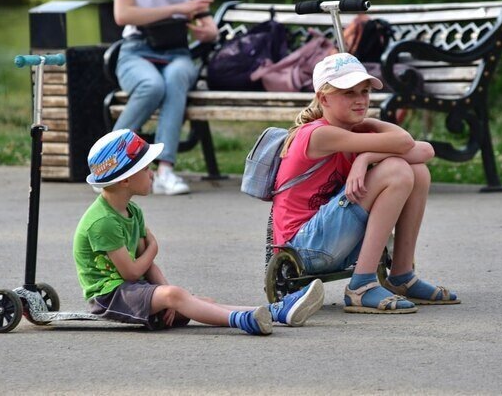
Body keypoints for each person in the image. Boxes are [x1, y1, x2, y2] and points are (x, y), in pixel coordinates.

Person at [74, 128, 324, 335]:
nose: (151, 174)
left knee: (200, 302)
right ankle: (242, 321)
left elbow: (146, 267)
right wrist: (154, 250)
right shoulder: (103, 222)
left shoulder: (132, 211)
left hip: (132, 292)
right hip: (110, 298)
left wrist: (166, 297)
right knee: (177, 296)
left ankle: (276, 312)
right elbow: (131, 272)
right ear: (125, 180)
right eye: (146, 168)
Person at [272, 53, 460, 314]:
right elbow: (404, 142)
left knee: (418, 171)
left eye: (365, 91)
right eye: (349, 93)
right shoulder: (318, 134)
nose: (360, 100)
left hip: (333, 239)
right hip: (305, 248)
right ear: (324, 98)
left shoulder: (353, 131)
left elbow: (425, 151)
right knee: (396, 170)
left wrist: (366, 157)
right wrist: (371, 130)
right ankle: (361, 286)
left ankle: (402, 276)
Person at [111, 0, 218, 196]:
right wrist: (177, 9)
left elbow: (205, 17)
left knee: (176, 78)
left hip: (177, 51)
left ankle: (165, 171)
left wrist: (209, 32)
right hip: (136, 49)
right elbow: (122, 14)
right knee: (152, 86)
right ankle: (110, 162)